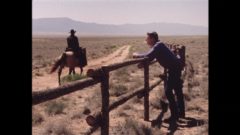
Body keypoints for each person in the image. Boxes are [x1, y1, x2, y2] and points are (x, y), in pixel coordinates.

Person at [133, 32, 185, 125]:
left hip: (174, 69)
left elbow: (148, 55)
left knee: (168, 91)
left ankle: (175, 116)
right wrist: (144, 63)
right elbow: (151, 57)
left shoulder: (158, 45)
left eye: (147, 38)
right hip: (176, 68)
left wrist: (136, 55)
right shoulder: (159, 45)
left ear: (152, 39)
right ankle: (180, 113)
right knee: (177, 90)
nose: (146, 40)